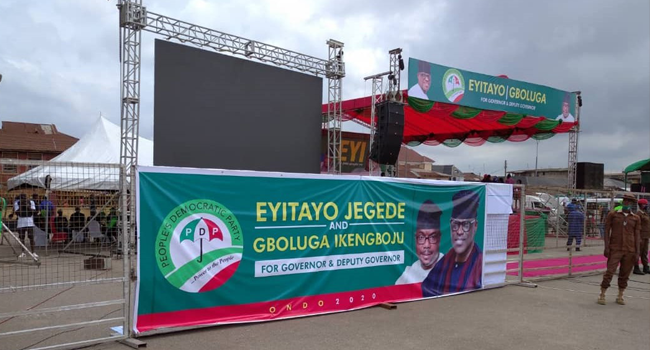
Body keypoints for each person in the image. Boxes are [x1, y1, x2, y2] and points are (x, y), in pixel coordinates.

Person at [422, 190, 483, 296]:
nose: (459, 232)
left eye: (466, 225)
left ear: (475, 226)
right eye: (455, 224)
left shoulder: (480, 265)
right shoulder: (444, 262)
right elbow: (426, 287)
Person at [597, 193, 640, 305]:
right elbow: (606, 230)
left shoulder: (635, 218)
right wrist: (606, 247)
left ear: (632, 203)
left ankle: (620, 295)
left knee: (625, 274)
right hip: (615, 248)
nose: (627, 202)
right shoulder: (613, 214)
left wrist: (637, 252)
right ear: (623, 201)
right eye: (625, 200)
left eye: (629, 201)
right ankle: (602, 294)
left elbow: (637, 235)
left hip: (630, 249)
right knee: (610, 271)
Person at [396, 200, 444, 285]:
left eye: (432, 237)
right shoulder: (409, 273)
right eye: (421, 237)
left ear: (439, 238)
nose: (426, 245)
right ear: (415, 239)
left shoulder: (448, 270)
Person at [14, 193, 37, 259]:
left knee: (31, 238)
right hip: (21, 223)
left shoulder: (31, 202)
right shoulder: (17, 203)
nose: (24, 199)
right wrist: (21, 206)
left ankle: (33, 252)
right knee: (22, 238)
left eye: (24, 198)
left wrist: (27, 207)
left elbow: (34, 211)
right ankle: (23, 252)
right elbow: (17, 213)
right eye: (22, 198)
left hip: (29, 223)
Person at [634, 199, 649, 275]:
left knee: (645, 253)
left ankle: (646, 267)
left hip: (646, 236)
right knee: (638, 252)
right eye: (645, 204)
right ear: (641, 205)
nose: (646, 206)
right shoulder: (638, 214)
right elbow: (637, 226)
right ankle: (636, 268)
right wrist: (638, 237)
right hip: (641, 236)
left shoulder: (645, 213)